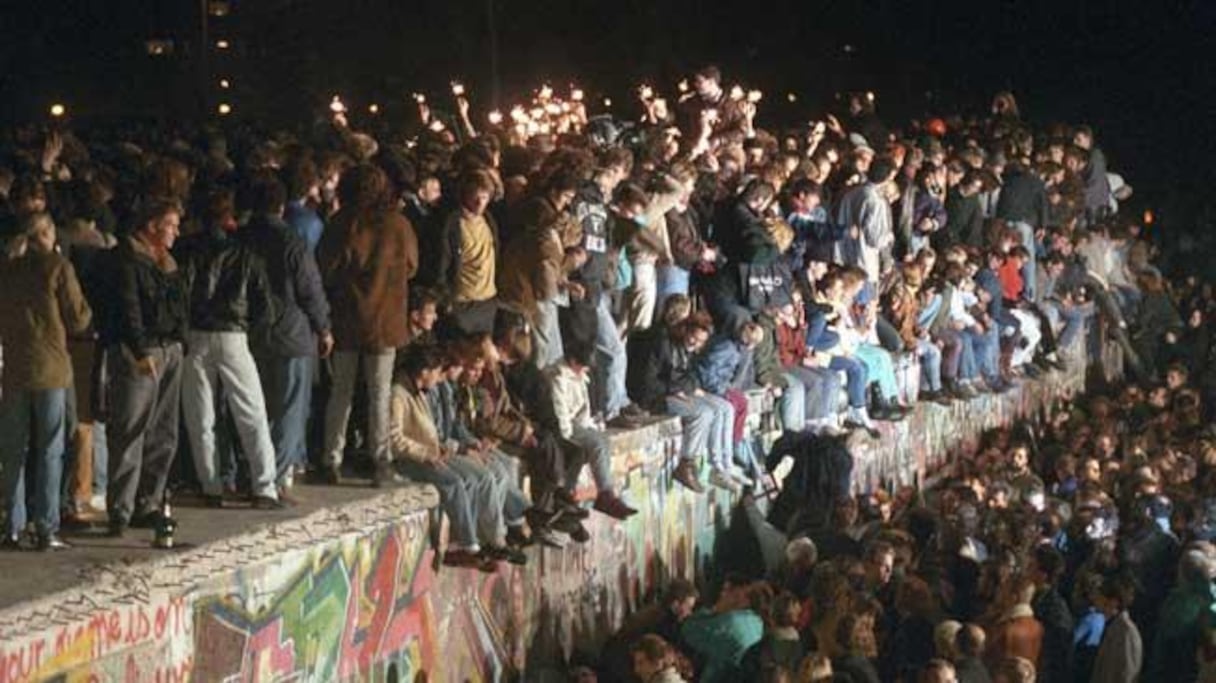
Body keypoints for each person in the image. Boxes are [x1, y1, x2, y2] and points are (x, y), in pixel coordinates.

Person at [177, 188, 282, 509]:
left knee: (201, 416)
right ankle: (265, 487)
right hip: (234, 335)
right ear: (230, 218)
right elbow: (266, 307)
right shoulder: (246, 255)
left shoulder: (187, 250)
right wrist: (253, 334)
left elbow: (180, 296)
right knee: (252, 413)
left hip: (196, 336)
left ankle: (211, 485)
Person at [316, 163, 418, 486]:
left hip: (347, 317)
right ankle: (380, 461)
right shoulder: (399, 225)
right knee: (379, 393)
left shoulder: (342, 223)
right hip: (386, 320)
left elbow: (325, 267)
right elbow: (413, 266)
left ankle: (331, 459)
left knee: (341, 391)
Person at [0, 212, 93, 550]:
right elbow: (79, 318)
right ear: (50, 233)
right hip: (52, 369)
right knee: (51, 449)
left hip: (13, 370)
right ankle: (46, 527)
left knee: (12, 450)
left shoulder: (7, 270)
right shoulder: (58, 267)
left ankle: (11, 525)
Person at [240, 173, 334, 501]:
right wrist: (324, 328)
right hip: (292, 334)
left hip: (250, 333)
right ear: (281, 206)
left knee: (257, 408)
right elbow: (309, 288)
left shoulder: (241, 239)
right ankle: (276, 478)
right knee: (290, 410)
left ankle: (250, 473)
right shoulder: (291, 241)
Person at [102, 200, 187, 538]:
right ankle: (121, 508)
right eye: (171, 224)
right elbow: (128, 306)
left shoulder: (167, 262)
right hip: (143, 351)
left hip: (169, 349)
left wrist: (181, 341)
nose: (177, 232)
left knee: (164, 431)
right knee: (131, 428)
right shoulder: (128, 260)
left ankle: (148, 502)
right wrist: (139, 349)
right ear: (152, 225)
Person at [388, 344, 497, 571]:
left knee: (473, 477)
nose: (439, 379)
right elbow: (395, 439)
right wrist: (425, 453)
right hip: (409, 460)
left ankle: (466, 541)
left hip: (431, 453)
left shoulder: (418, 392)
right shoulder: (398, 394)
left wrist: (439, 447)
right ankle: (469, 547)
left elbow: (428, 431)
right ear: (424, 372)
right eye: (437, 372)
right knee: (454, 483)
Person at [546, 342, 638, 520]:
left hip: (575, 423)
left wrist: (590, 427)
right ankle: (605, 494)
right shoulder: (558, 377)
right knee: (594, 444)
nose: (585, 371)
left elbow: (582, 410)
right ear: (572, 361)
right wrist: (567, 440)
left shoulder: (578, 375)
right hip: (559, 425)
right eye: (582, 367)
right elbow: (560, 415)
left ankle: (605, 492)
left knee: (602, 440)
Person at [439, 169, 500, 336]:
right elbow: (443, 262)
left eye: (485, 197)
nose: (480, 203)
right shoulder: (453, 223)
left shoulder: (488, 219)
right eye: (476, 197)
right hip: (462, 302)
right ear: (465, 195)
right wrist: (446, 299)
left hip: (488, 299)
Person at [1089, 574, 1141, 683]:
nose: (1095, 602)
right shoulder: (1111, 626)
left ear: (1113, 601)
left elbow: (1126, 674)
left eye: (1100, 598)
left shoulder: (1126, 631)